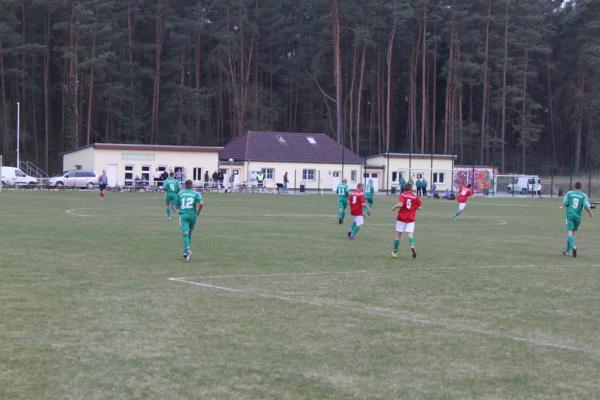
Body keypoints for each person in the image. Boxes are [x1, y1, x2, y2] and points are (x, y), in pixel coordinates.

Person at [562, 182, 593, 257]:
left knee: (569, 232)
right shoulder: (583, 195)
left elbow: (565, 203)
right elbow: (586, 205)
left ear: (574, 186)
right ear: (581, 187)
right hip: (578, 217)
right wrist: (590, 213)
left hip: (569, 215)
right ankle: (566, 252)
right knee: (572, 233)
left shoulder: (569, 193)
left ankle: (574, 247)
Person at [391, 183, 421, 258]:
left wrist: (394, 207)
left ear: (404, 188)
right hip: (411, 218)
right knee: (410, 234)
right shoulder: (415, 197)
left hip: (401, 217)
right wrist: (415, 208)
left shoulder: (403, 195)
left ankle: (394, 252)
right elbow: (419, 207)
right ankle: (412, 246)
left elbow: (401, 204)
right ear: (411, 188)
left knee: (398, 235)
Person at [177, 179, 204, 261]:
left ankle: (188, 250)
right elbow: (201, 203)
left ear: (184, 185)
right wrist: (198, 212)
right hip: (193, 216)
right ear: (192, 185)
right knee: (189, 233)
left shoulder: (180, 193)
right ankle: (185, 251)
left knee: (185, 234)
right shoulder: (196, 193)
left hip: (184, 215)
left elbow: (178, 205)